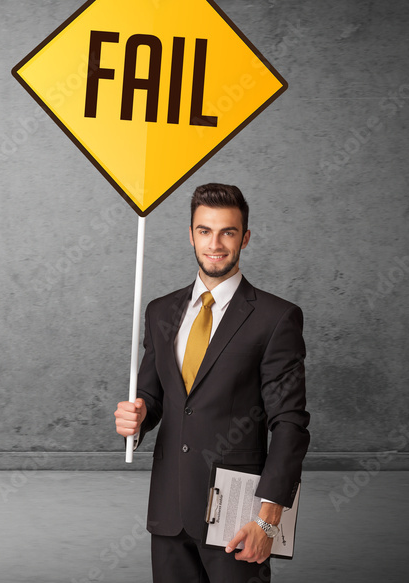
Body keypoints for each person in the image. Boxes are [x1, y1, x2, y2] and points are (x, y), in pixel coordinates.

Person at [114, 183, 310, 583]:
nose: (215, 243)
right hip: (168, 512)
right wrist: (138, 416)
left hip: (237, 518)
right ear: (191, 234)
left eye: (228, 232)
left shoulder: (276, 318)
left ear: (245, 238)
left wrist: (268, 519)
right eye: (204, 230)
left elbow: (289, 424)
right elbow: (154, 393)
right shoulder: (160, 311)